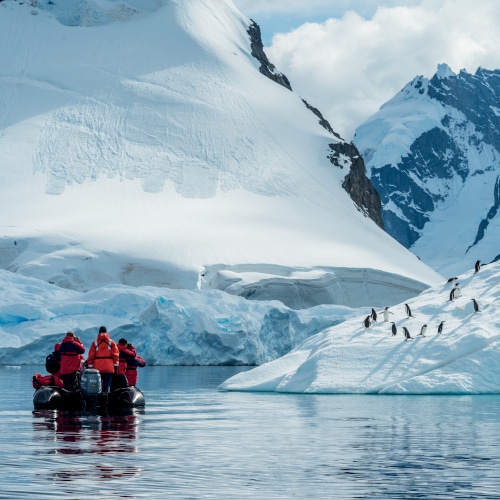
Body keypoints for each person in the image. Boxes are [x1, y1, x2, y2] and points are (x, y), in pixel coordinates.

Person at [87, 326, 119, 393]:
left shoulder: (94, 343)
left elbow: (91, 356)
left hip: (97, 368)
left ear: (99, 332)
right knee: (107, 385)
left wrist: (90, 367)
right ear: (106, 332)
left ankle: (97, 399)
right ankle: (105, 398)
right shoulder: (111, 342)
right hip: (109, 368)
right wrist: (115, 367)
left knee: (97, 385)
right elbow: (115, 355)